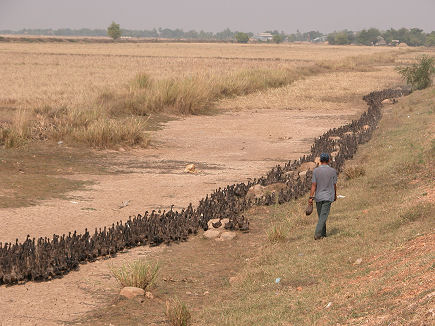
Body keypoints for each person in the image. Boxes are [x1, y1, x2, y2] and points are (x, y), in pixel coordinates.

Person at [308, 153, 337, 240]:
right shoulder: (332, 171)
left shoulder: (316, 171)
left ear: (320, 161)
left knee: (321, 216)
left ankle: (323, 234)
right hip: (328, 196)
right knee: (323, 216)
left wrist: (310, 197)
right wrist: (335, 195)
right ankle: (317, 234)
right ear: (328, 160)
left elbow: (313, 185)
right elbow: (334, 184)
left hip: (318, 197)